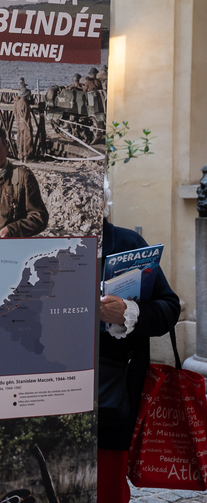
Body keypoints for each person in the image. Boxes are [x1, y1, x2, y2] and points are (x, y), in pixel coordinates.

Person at [98, 214, 180, 503]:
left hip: (110, 394)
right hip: (43, 395)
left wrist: (128, 312)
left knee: (105, 486)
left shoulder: (126, 243)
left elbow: (169, 308)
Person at [0, 127, 48, 238]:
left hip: (16, 248)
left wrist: (12, 230)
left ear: (6, 148)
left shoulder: (23, 176)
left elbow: (39, 218)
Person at [13, 87, 33, 162]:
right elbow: (26, 116)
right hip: (25, 123)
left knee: (21, 139)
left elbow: (14, 112)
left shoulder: (18, 102)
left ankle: (20, 155)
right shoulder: (24, 103)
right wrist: (28, 125)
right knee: (27, 139)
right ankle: (26, 155)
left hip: (20, 123)